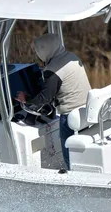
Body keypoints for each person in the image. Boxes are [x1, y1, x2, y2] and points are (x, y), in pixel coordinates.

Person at [16, 32, 91, 169]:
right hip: (86, 109)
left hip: (70, 116)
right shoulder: (72, 57)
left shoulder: (52, 70)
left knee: (69, 157)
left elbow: (45, 98)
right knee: (80, 154)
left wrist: (26, 99)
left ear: (44, 50)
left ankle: (71, 173)